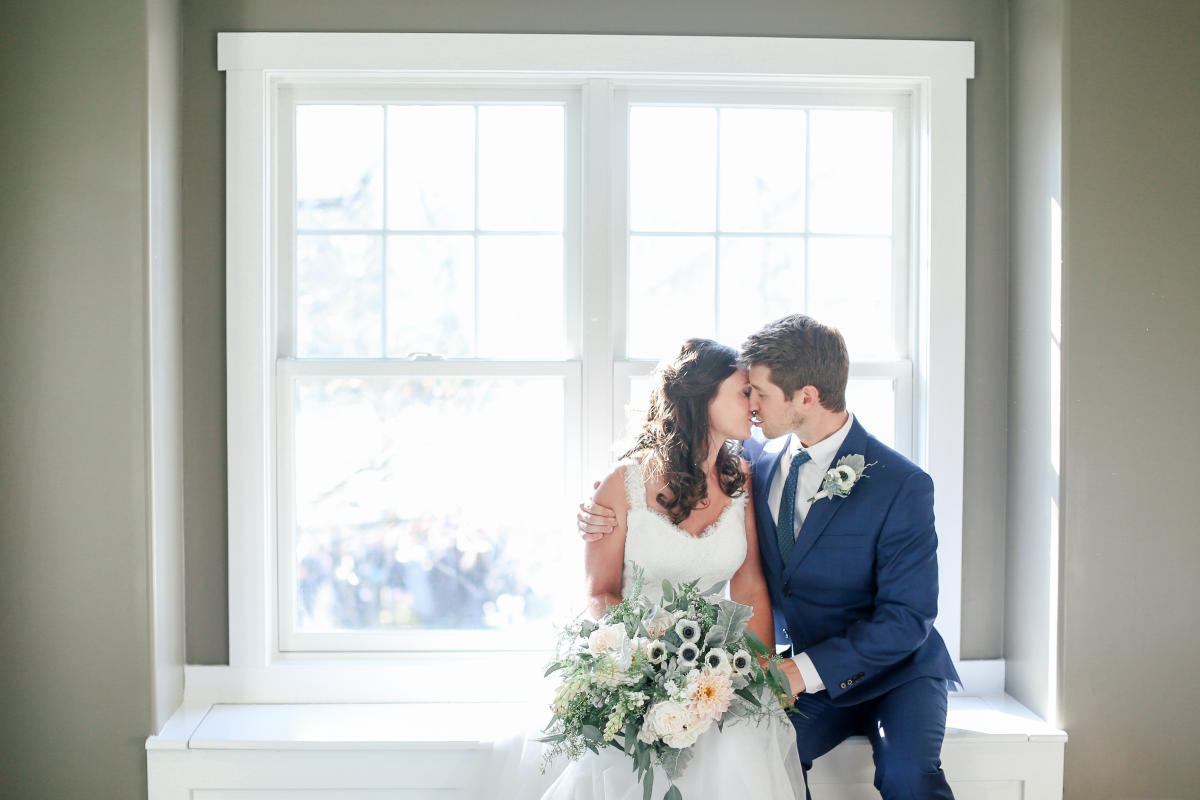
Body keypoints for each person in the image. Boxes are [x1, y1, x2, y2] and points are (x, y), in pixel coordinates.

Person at [579, 315, 961, 800]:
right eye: (745, 393)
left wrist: (798, 672)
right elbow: (667, 488)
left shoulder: (902, 484)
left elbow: (909, 618)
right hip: (800, 672)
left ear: (805, 397)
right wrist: (595, 511)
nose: (752, 405)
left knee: (909, 775)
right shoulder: (749, 467)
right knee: (757, 757)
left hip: (897, 673)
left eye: (758, 391)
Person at [542, 337, 805, 800]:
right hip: (639, 667)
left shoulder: (741, 476)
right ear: (703, 399)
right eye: (744, 392)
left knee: (739, 746)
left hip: (718, 673)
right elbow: (601, 592)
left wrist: (762, 672)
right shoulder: (623, 484)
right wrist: (649, 662)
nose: (755, 404)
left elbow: (748, 589)